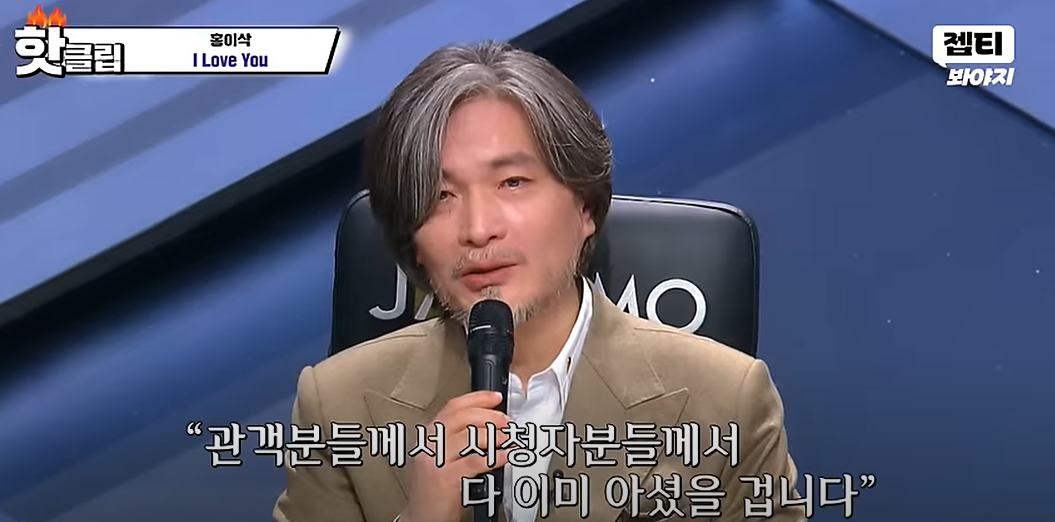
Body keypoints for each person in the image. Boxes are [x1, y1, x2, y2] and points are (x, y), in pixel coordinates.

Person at [273, 40, 805, 522]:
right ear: (411, 236)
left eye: (512, 182)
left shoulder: (728, 400)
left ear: (585, 208)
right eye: (439, 196)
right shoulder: (335, 407)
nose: (478, 228)